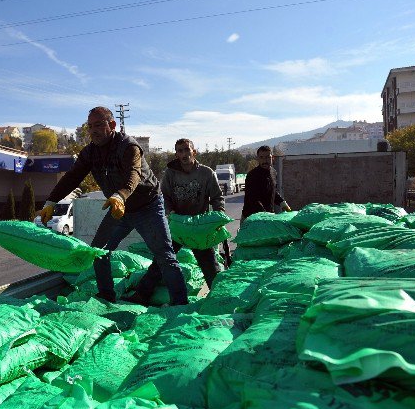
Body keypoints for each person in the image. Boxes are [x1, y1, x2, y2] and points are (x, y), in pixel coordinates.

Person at [38, 106, 189, 305]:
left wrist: (120, 195)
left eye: (99, 125)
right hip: (120, 210)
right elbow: (72, 177)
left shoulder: (128, 146)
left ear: (112, 125)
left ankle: (180, 303)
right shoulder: (90, 152)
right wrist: (51, 200)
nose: (93, 131)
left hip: (148, 206)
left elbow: (134, 174)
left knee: (165, 256)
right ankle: (107, 295)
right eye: (90, 126)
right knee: (99, 251)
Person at [127, 138, 225, 305]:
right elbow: (165, 197)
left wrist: (218, 217)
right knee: (162, 261)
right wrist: (170, 212)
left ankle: (220, 298)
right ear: (176, 154)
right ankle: (142, 294)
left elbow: (217, 198)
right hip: (178, 226)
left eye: (187, 150)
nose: (184, 154)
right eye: (180, 151)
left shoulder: (207, 173)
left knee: (209, 265)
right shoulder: (171, 173)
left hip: (198, 227)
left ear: (194, 152)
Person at [241, 145, 291, 222]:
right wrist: (265, 215)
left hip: (267, 217)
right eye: (261, 157)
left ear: (272, 158)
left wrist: (283, 203)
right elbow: (253, 199)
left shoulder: (273, 172)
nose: (265, 161)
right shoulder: (252, 175)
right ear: (258, 159)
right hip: (251, 219)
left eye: (268, 157)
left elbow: (273, 191)